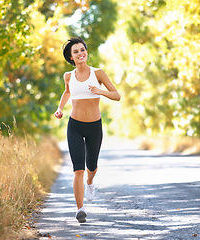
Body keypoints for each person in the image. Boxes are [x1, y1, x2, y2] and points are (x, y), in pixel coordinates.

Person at [54, 37, 121, 223]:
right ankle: (80, 209)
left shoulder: (98, 73)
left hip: (94, 126)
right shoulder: (68, 76)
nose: (80, 53)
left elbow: (117, 95)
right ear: (71, 57)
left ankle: (90, 183)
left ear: (86, 52)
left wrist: (101, 92)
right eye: (76, 52)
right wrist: (60, 108)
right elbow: (67, 91)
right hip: (74, 125)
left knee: (91, 166)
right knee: (78, 169)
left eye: (82, 50)